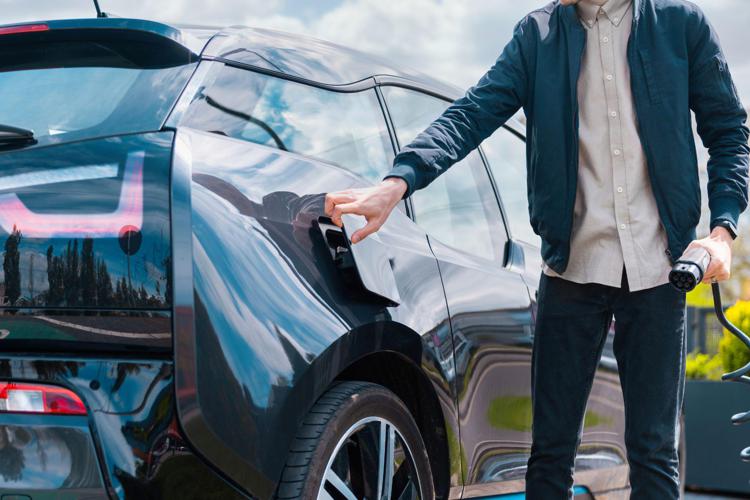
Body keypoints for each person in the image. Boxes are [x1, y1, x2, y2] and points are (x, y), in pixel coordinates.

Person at [325, 0, 749, 498]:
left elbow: (728, 132)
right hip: (571, 274)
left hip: (660, 272)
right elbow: (472, 113)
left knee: (654, 453)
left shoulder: (680, 24)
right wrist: (398, 181)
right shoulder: (537, 36)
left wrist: (722, 230)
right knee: (549, 454)